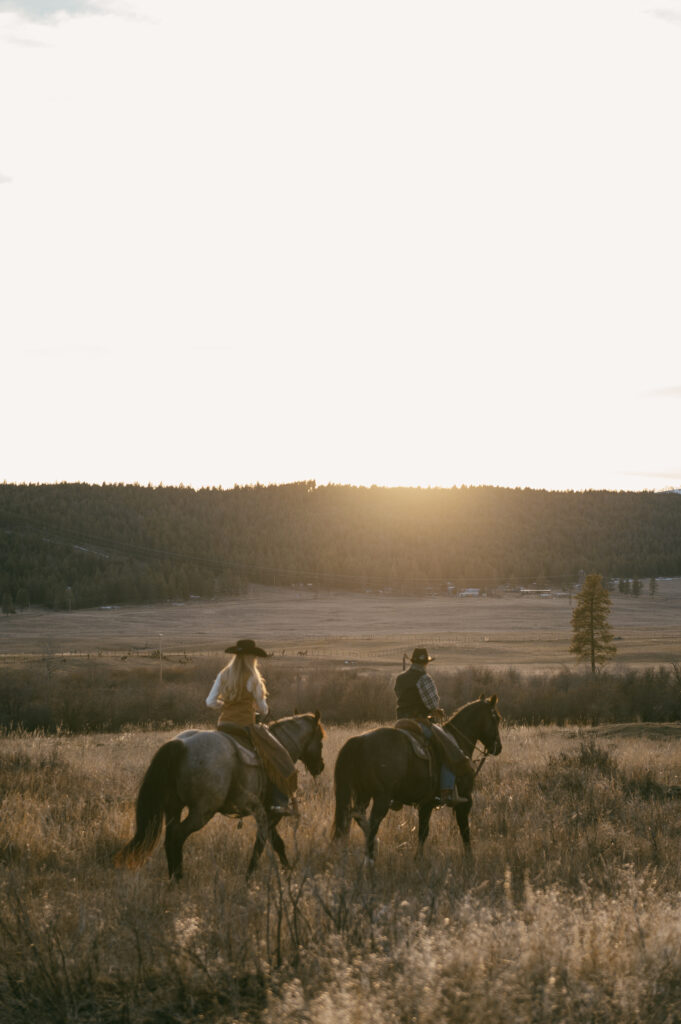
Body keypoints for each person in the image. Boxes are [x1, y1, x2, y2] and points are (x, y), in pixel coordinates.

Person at [206, 638, 297, 815]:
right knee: (278, 756)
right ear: (251, 657)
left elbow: (210, 702)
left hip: (224, 725)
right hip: (244, 726)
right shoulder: (253, 678)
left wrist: (224, 705)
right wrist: (260, 710)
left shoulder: (223, 674)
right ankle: (279, 803)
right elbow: (263, 709)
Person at [394, 647, 471, 807]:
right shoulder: (424, 678)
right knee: (447, 745)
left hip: (401, 722)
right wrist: (437, 711)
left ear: (413, 661)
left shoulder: (400, 678)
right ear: (425, 663)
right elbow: (432, 703)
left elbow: (400, 696)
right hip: (419, 722)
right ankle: (446, 791)